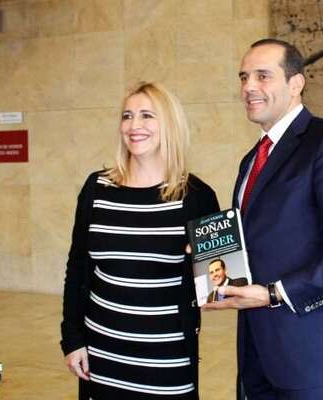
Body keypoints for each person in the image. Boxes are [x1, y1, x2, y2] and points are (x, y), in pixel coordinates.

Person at [203, 38, 323, 399]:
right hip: (257, 348)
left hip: (313, 353)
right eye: (244, 77)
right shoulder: (253, 158)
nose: (249, 87)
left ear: (296, 83)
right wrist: (211, 258)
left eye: (263, 76)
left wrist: (274, 294)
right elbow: (261, 237)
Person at [61, 82, 219, 399]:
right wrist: (72, 339)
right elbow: (77, 270)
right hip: (101, 355)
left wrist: (207, 268)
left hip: (168, 361)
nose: (134, 125)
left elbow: (219, 284)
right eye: (127, 116)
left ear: (169, 124)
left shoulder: (197, 196)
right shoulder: (96, 188)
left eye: (147, 115)